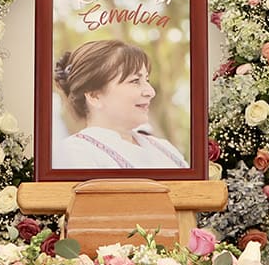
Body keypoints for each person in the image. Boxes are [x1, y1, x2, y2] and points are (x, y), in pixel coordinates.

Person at [51, 39, 187, 170]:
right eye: (135, 81)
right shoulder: (74, 154)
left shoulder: (164, 148)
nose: (150, 92)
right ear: (94, 96)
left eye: (147, 79)